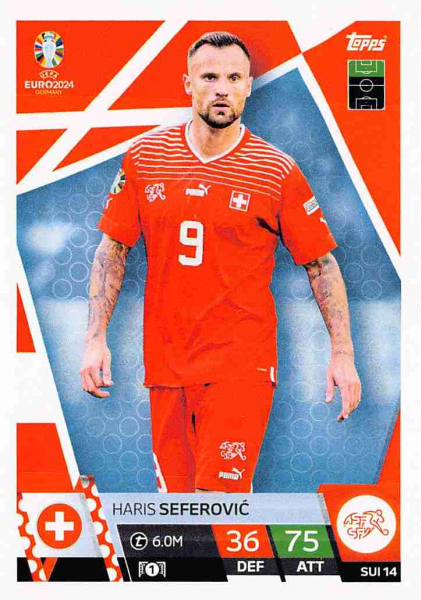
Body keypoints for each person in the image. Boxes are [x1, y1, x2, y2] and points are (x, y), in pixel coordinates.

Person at [80, 31, 361, 494]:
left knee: (218, 503)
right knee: (178, 514)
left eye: (234, 78)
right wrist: (94, 340)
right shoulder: (146, 158)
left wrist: (343, 355)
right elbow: (112, 250)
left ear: (248, 86)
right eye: (209, 77)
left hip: (240, 366)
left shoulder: (276, 171)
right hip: (166, 366)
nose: (222, 89)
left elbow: (321, 265)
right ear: (187, 83)